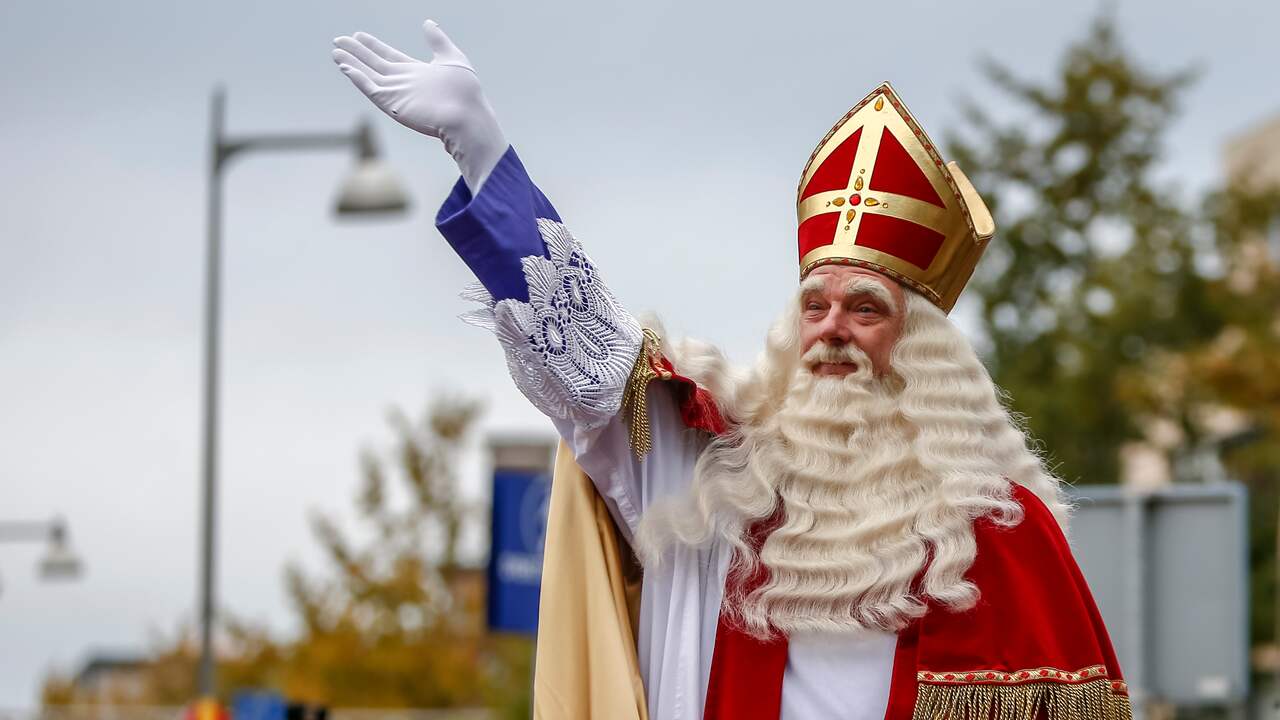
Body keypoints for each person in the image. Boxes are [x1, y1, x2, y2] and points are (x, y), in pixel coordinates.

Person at [332, 19, 1132, 720]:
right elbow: (594, 358)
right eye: (814, 305)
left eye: (865, 309)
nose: (832, 330)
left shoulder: (1004, 532)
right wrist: (481, 148)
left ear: (925, 352)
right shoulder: (722, 487)